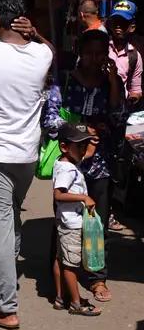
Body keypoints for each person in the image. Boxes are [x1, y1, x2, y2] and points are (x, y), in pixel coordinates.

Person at [0, 0, 54, 330]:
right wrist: (37, 34)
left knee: (1, 228)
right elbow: (52, 51)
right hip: (26, 155)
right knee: (11, 217)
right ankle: (7, 277)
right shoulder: (43, 53)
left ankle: (6, 308)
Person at [44, 29, 126, 303]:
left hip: (100, 164)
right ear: (80, 52)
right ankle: (62, 273)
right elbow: (51, 120)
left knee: (97, 223)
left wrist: (114, 82)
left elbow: (117, 118)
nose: (94, 59)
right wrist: (82, 127)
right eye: (89, 53)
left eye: (100, 53)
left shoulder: (110, 82)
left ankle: (97, 277)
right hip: (70, 163)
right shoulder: (64, 81)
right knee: (65, 220)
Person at [51, 123, 101, 317]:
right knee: (71, 265)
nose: (83, 150)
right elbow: (59, 195)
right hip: (71, 224)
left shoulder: (65, 162)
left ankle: (59, 298)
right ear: (64, 146)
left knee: (60, 259)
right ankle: (76, 303)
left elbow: (86, 154)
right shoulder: (68, 170)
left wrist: (93, 142)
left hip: (64, 221)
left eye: (84, 145)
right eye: (79, 146)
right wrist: (83, 197)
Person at [106, 0, 143, 103]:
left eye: (123, 23)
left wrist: (131, 100)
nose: (118, 26)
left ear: (132, 27)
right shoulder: (102, 48)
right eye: (115, 22)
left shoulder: (134, 56)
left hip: (119, 109)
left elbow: (135, 90)